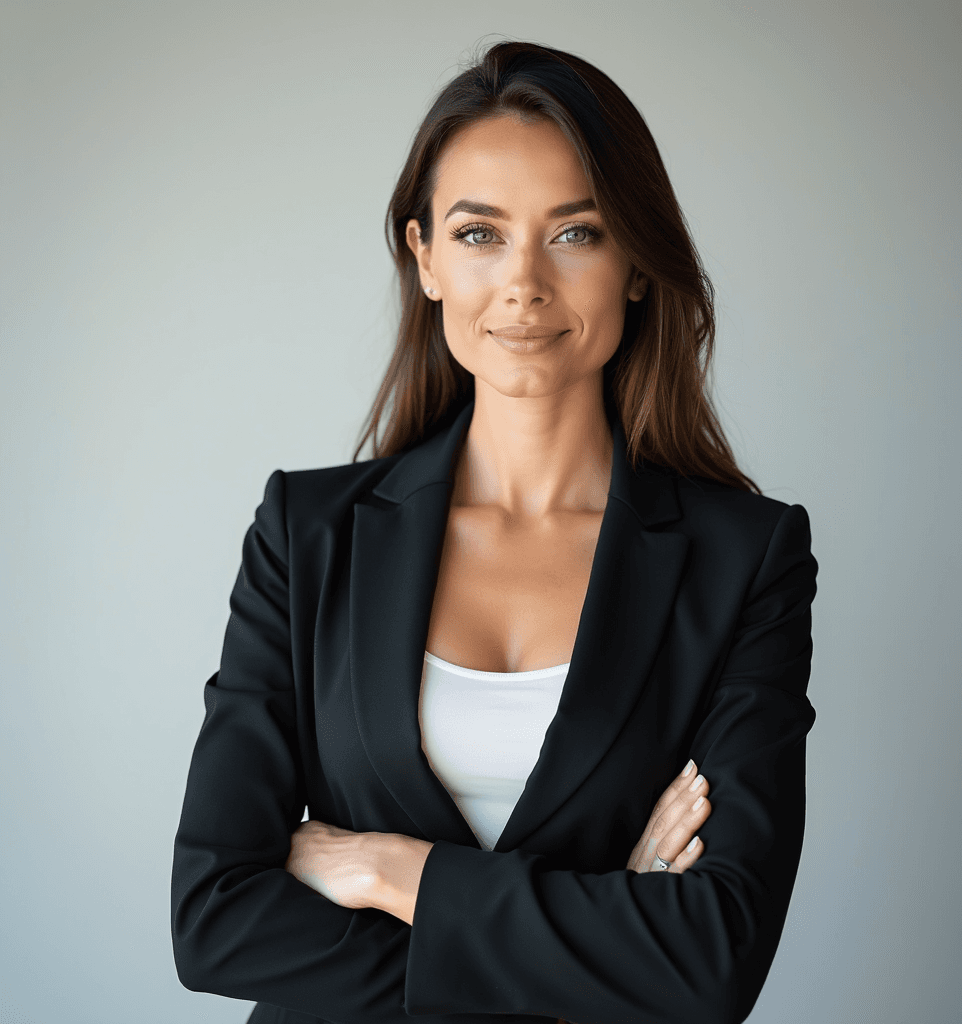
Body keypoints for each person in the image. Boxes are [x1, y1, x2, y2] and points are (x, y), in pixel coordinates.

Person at [171, 40, 818, 1024]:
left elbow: (710, 961)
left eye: (576, 233)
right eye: (479, 234)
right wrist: (602, 928)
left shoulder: (746, 559)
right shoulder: (306, 535)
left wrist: (394, 871)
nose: (524, 282)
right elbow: (215, 920)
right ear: (424, 256)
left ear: (635, 265)